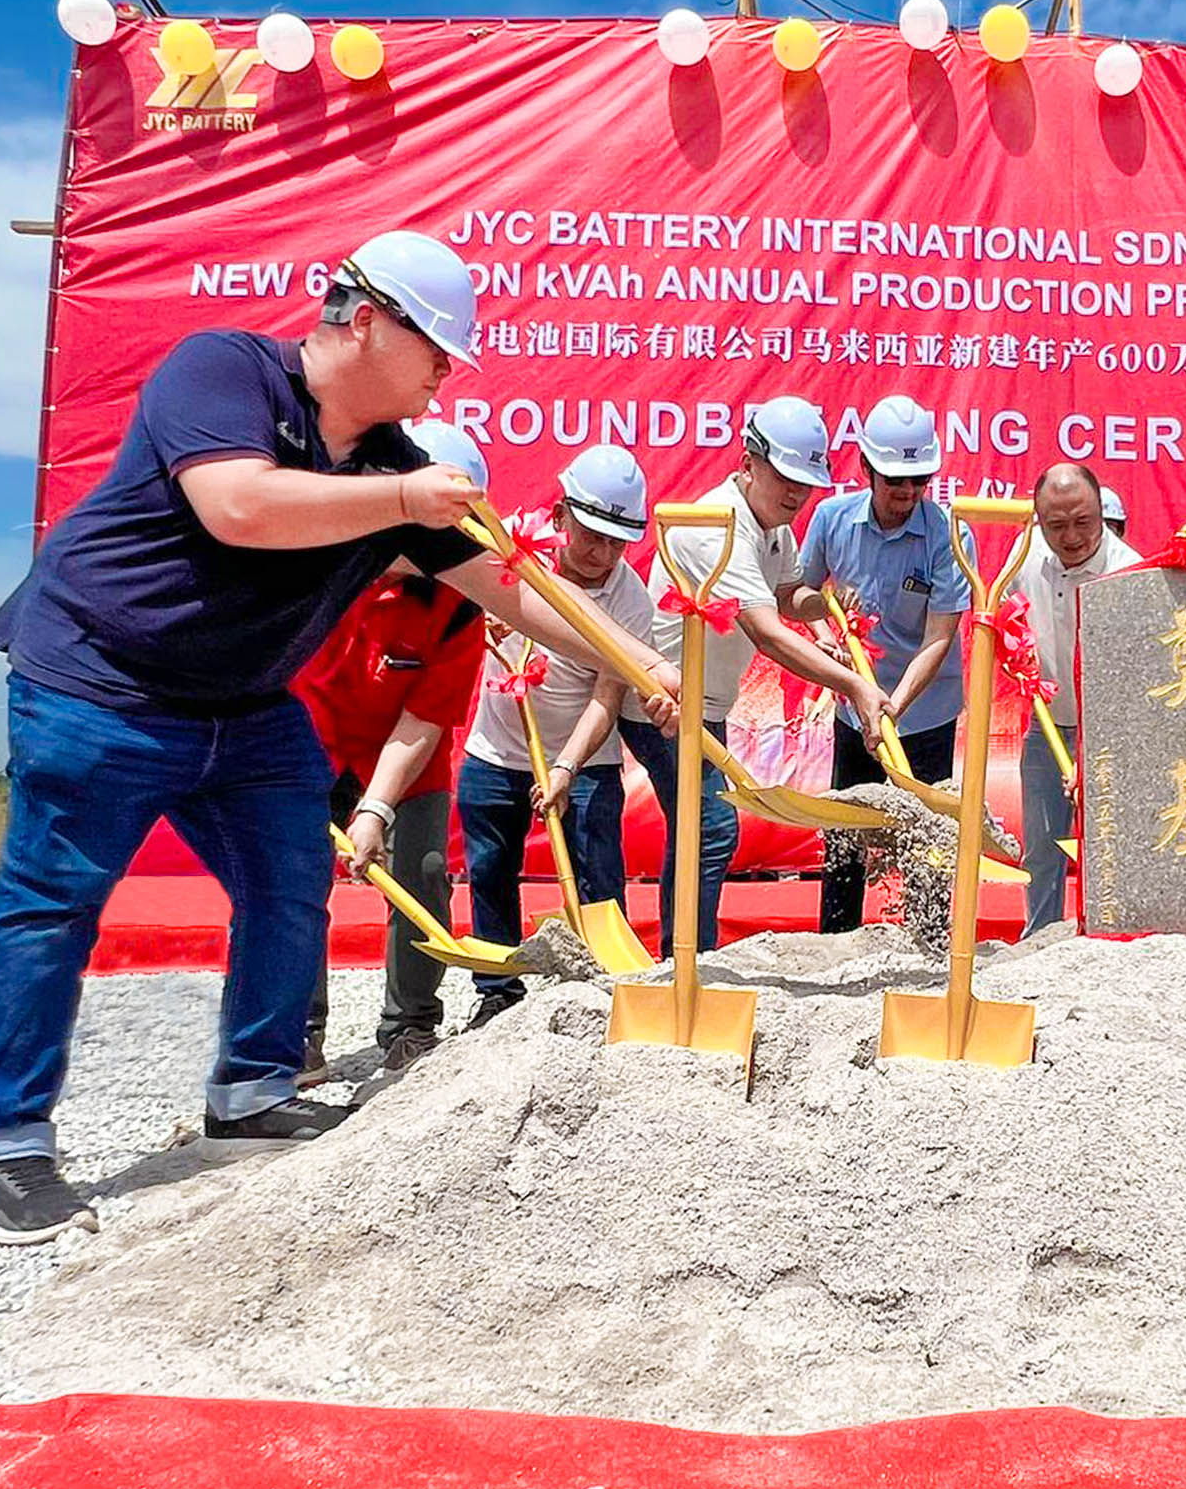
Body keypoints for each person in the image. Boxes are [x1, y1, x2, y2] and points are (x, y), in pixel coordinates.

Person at [0, 229, 678, 1246]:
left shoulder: (392, 469)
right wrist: (403, 498)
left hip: (244, 706)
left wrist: (639, 663)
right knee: (53, 902)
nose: (446, 376)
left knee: (292, 880)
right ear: (368, 322)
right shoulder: (223, 373)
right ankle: (3, 1145)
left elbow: (509, 588)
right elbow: (239, 504)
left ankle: (252, 1090)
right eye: (438, 353)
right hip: (100, 682)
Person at [291, 421, 491, 1080]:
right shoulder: (323, 565)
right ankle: (295, 1032)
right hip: (311, 740)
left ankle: (410, 1026)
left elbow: (425, 717)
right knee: (289, 878)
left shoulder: (460, 604)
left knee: (424, 874)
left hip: (408, 750)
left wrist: (376, 808)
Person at [651, 396, 886, 952]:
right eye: (785, 479)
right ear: (748, 463)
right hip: (661, 701)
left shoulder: (772, 527)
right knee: (709, 830)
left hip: (706, 705)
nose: (796, 495)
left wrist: (826, 607)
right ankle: (685, 960)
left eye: (805, 485)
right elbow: (766, 632)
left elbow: (785, 595)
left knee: (698, 831)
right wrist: (853, 684)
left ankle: (683, 956)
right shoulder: (719, 526)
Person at [458, 445, 662, 1028]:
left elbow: (608, 695)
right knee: (490, 870)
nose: (603, 554)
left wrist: (566, 768)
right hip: (496, 750)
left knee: (598, 879)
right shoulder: (512, 552)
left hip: (584, 761)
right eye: (592, 536)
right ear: (560, 515)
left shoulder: (629, 599)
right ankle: (497, 992)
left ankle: (603, 987)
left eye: (617, 543)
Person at [795, 396, 971, 933]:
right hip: (855, 709)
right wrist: (827, 638)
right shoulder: (831, 519)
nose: (908, 492)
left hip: (924, 711)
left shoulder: (948, 535)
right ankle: (836, 939)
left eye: (919, 481)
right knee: (845, 833)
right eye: (896, 480)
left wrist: (892, 706)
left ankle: (930, 942)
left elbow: (939, 637)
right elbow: (800, 593)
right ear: (867, 469)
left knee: (929, 840)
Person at [1011, 461, 1141, 934]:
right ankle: (1040, 936)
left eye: (1083, 522)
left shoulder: (1129, 574)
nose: (1071, 537)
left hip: (1112, 734)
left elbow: (1135, 681)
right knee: (1042, 845)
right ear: (1038, 521)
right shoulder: (1024, 556)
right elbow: (1008, 619)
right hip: (1047, 725)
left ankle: (1110, 934)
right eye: (1057, 525)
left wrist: (1094, 752)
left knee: (1110, 845)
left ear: (1101, 514)